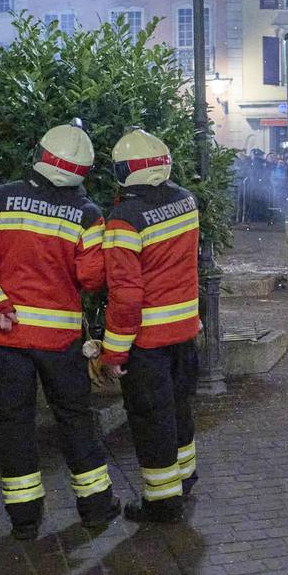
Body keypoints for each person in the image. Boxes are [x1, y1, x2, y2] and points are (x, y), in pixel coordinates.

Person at [0, 124, 118, 541]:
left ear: (42, 155)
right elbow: (90, 278)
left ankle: (25, 520)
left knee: (14, 425)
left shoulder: (0, 198)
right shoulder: (88, 214)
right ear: (84, 169)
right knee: (76, 420)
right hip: (61, 342)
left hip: (7, 339)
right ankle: (97, 508)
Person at [101, 129, 201, 524]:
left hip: (147, 342)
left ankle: (162, 502)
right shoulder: (186, 200)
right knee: (179, 409)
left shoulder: (125, 219)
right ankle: (185, 478)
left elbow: (126, 296)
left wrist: (114, 353)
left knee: (151, 421)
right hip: (183, 331)